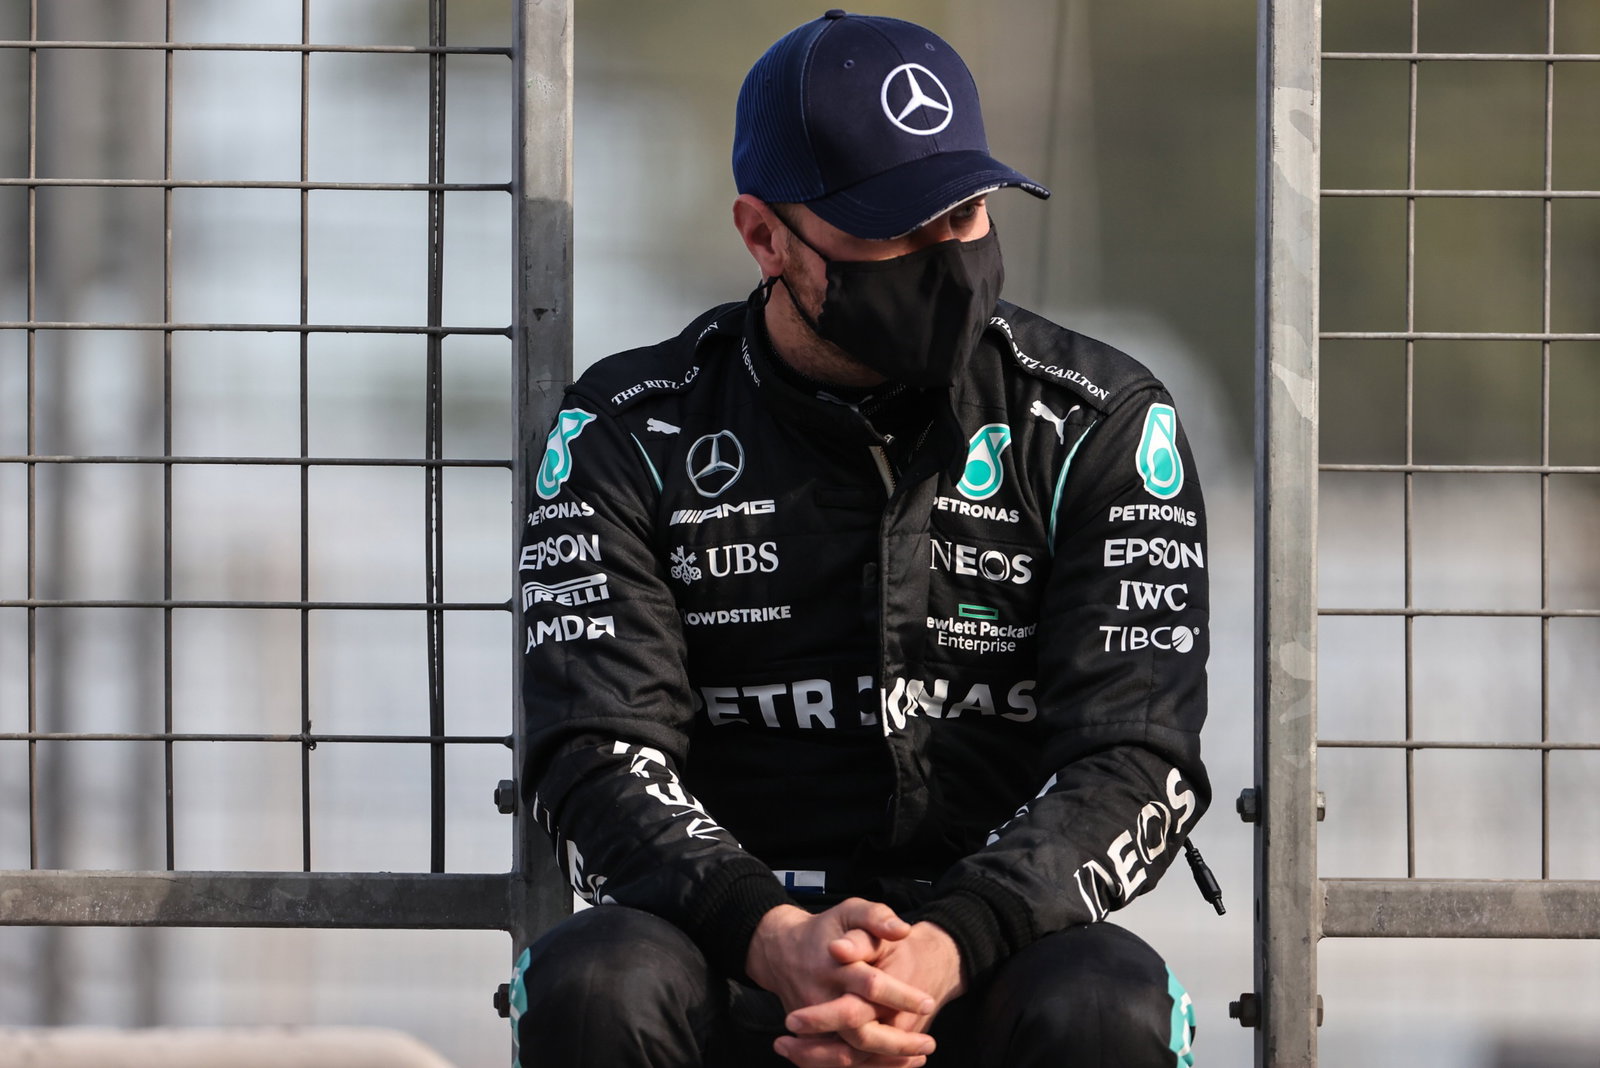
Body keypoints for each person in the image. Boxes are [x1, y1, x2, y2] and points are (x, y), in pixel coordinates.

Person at [511, 10, 1216, 1066]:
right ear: (764, 237)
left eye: (964, 213)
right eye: (895, 229)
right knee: (595, 983)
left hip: (988, 956)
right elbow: (591, 747)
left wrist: (946, 944)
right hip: (728, 960)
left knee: (1108, 1003)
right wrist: (774, 938)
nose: (947, 259)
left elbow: (1135, 751)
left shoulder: (1097, 422)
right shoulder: (628, 431)